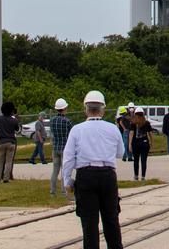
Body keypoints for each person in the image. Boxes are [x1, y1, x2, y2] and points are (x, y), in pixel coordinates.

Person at [62, 90, 124, 249]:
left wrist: (67, 181)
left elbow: (68, 158)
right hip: (108, 175)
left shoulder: (77, 129)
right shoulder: (112, 128)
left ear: (85, 109)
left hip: (86, 176)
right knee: (111, 219)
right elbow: (120, 153)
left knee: (89, 223)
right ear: (103, 109)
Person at [50, 98, 73, 196]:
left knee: (55, 171)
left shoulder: (52, 120)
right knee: (64, 170)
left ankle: (52, 191)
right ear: (64, 108)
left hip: (55, 147)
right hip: (65, 148)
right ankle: (64, 192)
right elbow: (71, 135)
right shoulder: (67, 121)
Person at [0, 101, 20, 183]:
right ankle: (6, 178)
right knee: (9, 161)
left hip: (1, 142)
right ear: (11, 110)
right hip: (11, 142)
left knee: (0, 161)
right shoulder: (14, 120)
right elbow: (17, 129)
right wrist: (15, 118)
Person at [129, 109, 153, 181]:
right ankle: (143, 176)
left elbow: (131, 133)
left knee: (136, 160)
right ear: (143, 114)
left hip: (135, 143)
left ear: (135, 114)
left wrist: (129, 144)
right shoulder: (146, 123)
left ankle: (136, 176)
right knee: (143, 160)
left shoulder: (133, 123)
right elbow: (150, 133)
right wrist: (151, 142)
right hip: (145, 143)